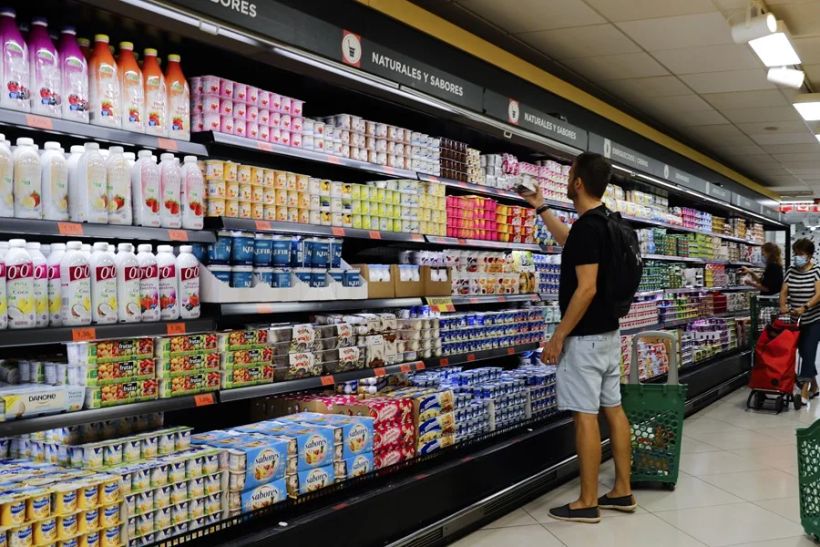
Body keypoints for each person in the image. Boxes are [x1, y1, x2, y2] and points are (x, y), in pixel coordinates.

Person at [520, 152, 635, 524]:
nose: (567, 179)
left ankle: (587, 501)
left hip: (584, 340)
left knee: (584, 417)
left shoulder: (590, 227)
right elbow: (570, 241)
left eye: (569, 174)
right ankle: (622, 491)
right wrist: (541, 207)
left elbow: (585, 290)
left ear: (579, 183)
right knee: (614, 410)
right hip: (608, 335)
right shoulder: (607, 222)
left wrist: (557, 337)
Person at [780, 238, 820, 403]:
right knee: (803, 352)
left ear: (809, 256)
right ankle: (815, 386)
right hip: (795, 319)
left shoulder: (816, 270)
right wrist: (782, 305)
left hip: (815, 318)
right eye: (796, 254)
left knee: (808, 352)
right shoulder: (791, 270)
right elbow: (784, 290)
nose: (797, 257)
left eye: (801, 254)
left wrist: (806, 306)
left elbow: (819, 294)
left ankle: (804, 391)